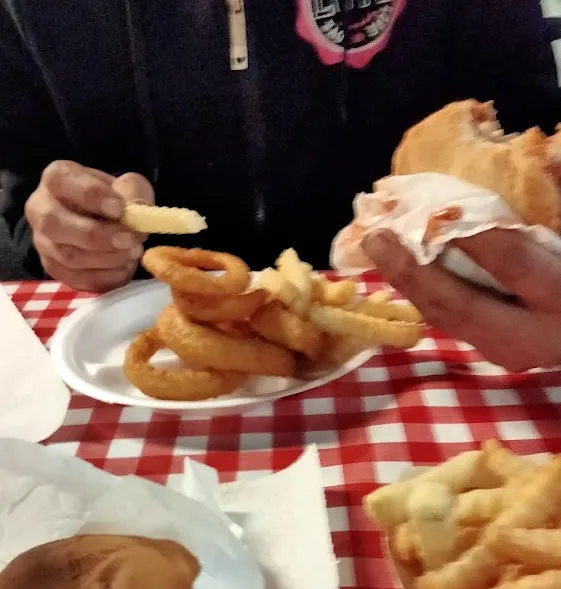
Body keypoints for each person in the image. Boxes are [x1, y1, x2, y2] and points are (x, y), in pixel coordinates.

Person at [1, 0, 561, 369]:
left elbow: (537, 148)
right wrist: (61, 230)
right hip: (136, 345)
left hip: (434, 348)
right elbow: (27, 184)